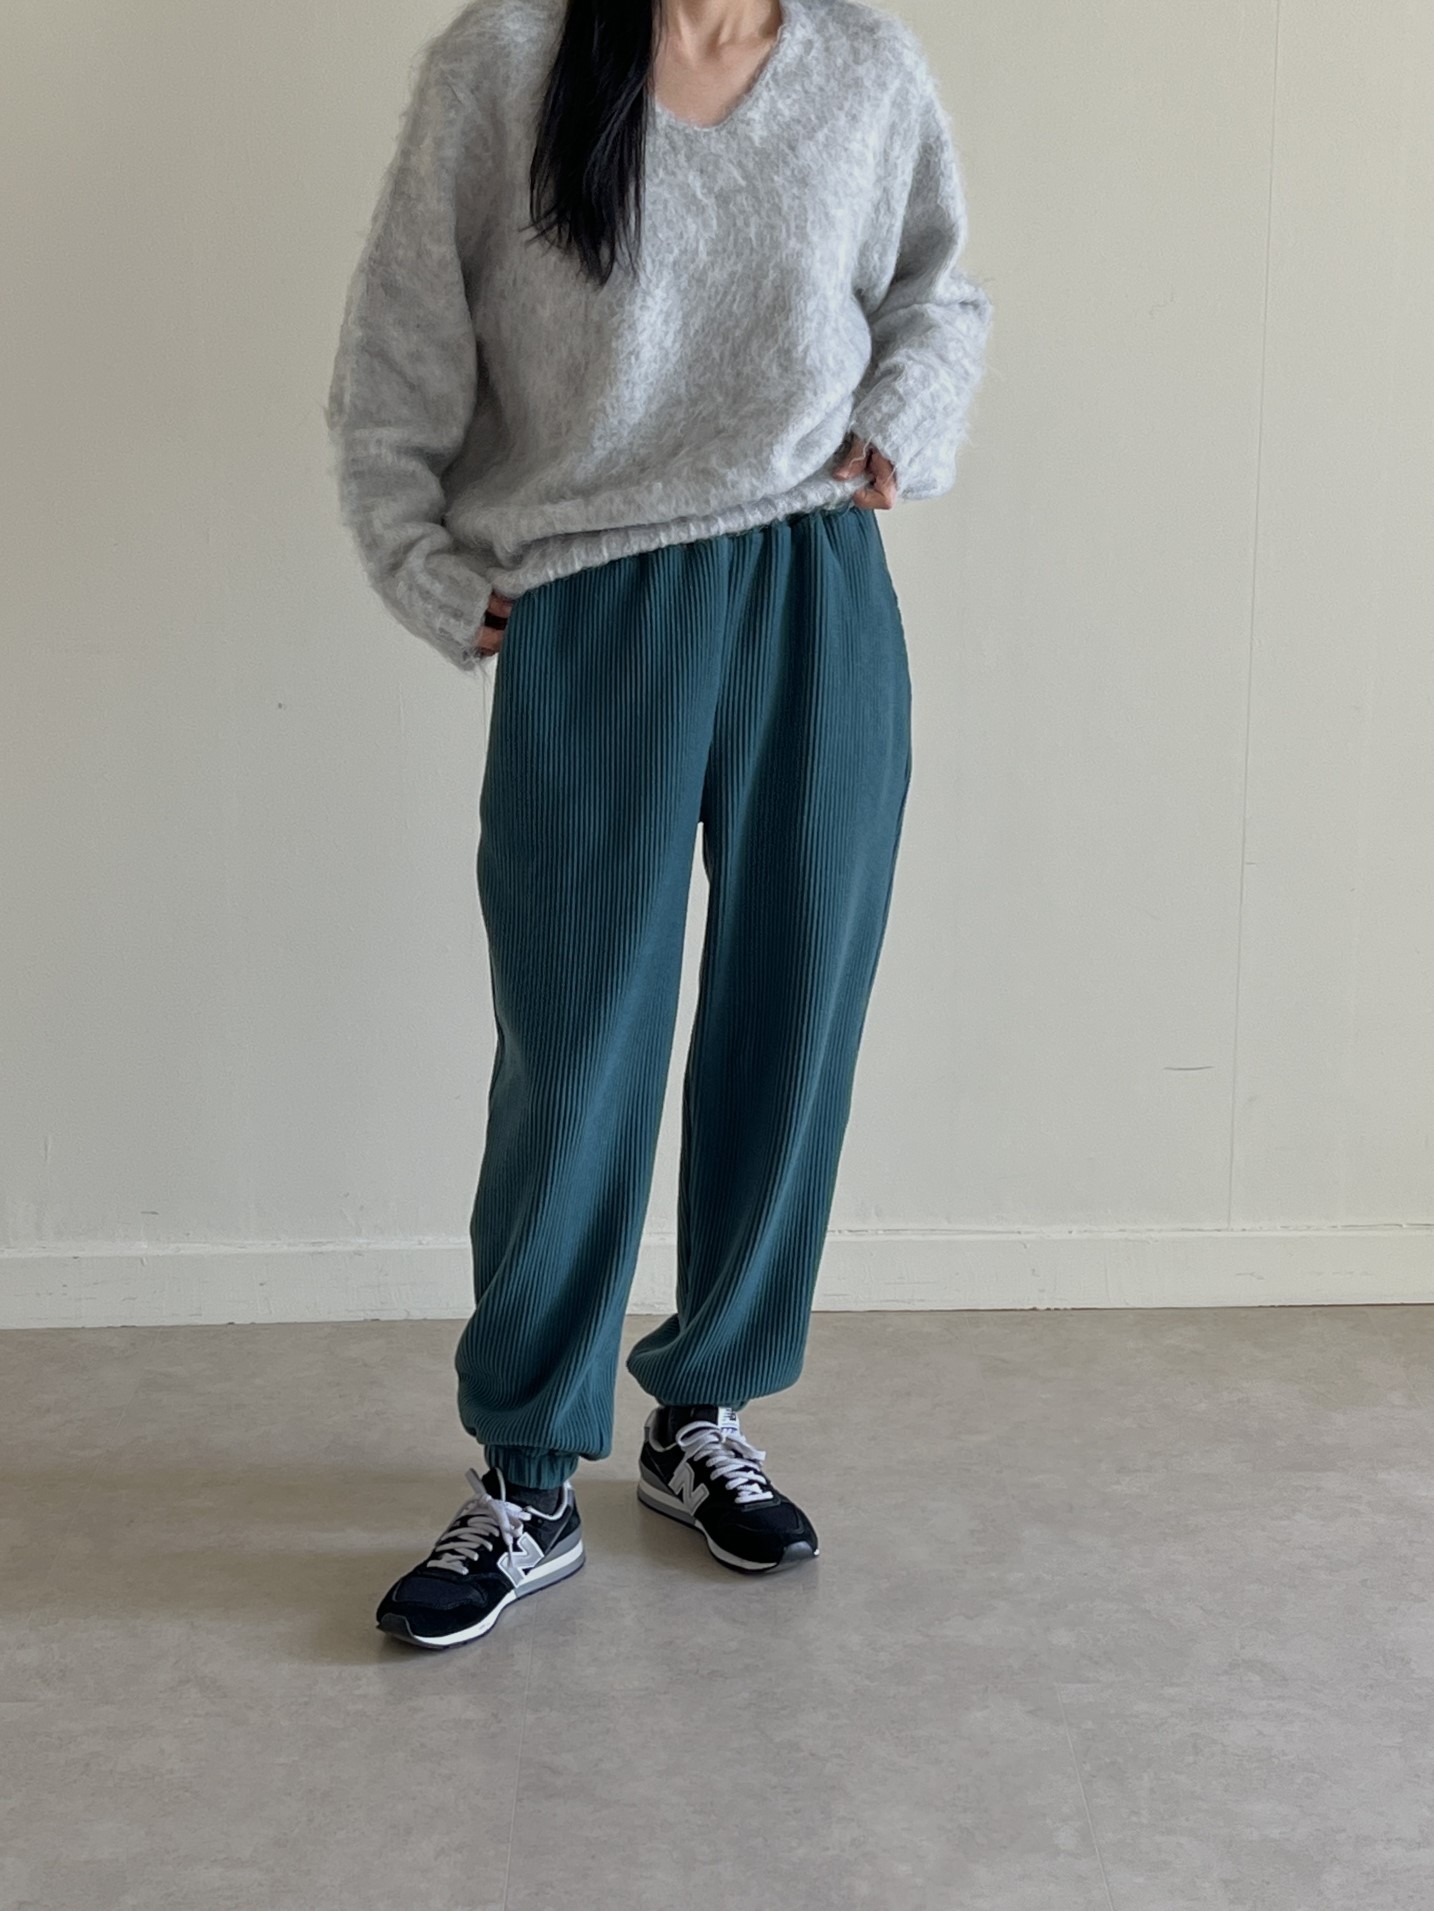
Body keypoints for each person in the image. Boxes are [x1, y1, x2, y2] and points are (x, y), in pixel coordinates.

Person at [325, 0, 992, 1650]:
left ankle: (706, 1413)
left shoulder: (863, 67)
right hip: (590, 600)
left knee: (794, 1014)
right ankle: (527, 1474)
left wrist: (903, 421)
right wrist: (425, 566)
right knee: (577, 1047)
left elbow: (936, 293)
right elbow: (400, 349)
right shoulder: (504, 64)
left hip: (814, 582)